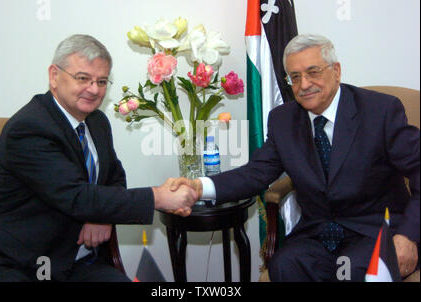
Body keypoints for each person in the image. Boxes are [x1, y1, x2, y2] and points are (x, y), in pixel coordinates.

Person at [171, 34, 420, 281]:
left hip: (373, 232)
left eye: (313, 72)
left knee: (350, 272)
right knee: (285, 265)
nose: (303, 85)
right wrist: (198, 187)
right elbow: (256, 173)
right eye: (295, 77)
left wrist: (408, 236)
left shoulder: (380, 111)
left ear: (336, 71)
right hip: (318, 235)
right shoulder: (283, 120)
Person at [0, 34, 198, 282]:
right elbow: (76, 196)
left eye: (101, 81)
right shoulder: (29, 128)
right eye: (83, 78)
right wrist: (158, 196)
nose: (93, 89)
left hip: (74, 260)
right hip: (16, 261)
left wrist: (102, 217)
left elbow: (114, 177)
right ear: (54, 76)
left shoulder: (97, 121)